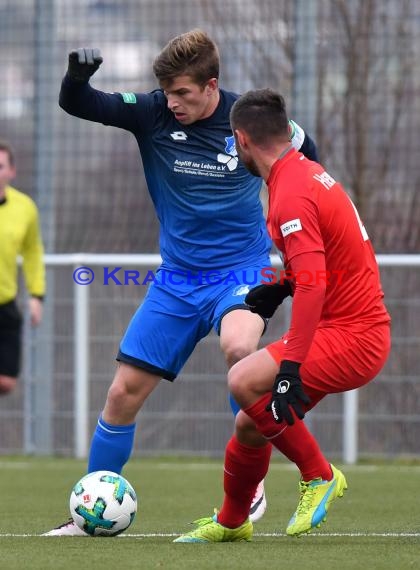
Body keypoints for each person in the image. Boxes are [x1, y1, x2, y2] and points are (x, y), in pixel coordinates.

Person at [44, 31, 318, 536]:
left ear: (211, 86)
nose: (173, 103)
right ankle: (89, 512)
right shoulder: (152, 113)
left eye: (183, 94)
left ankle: (249, 482)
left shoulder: (247, 120)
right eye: (167, 93)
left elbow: (307, 155)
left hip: (244, 271)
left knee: (240, 350)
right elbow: (79, 102)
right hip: (176, 280)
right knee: (122, 393)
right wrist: (78, 77)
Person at [174, 88, 391, 543]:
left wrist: (290, 367)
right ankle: (233, 521)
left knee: (243, 381)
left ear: (241, 140)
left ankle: (319, 474)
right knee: (250, 423)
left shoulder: (290, 193)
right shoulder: (303, 173)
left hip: (353, 336)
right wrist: (277, 290)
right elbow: (317, 265)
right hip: (352, 329)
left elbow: (315, 284)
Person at [0, 140, 45, 395]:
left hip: (5, 301)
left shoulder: (24, 208)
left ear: (11, 171)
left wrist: (36, 296)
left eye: (0, 166)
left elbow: (32, 252)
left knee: (6, 382)